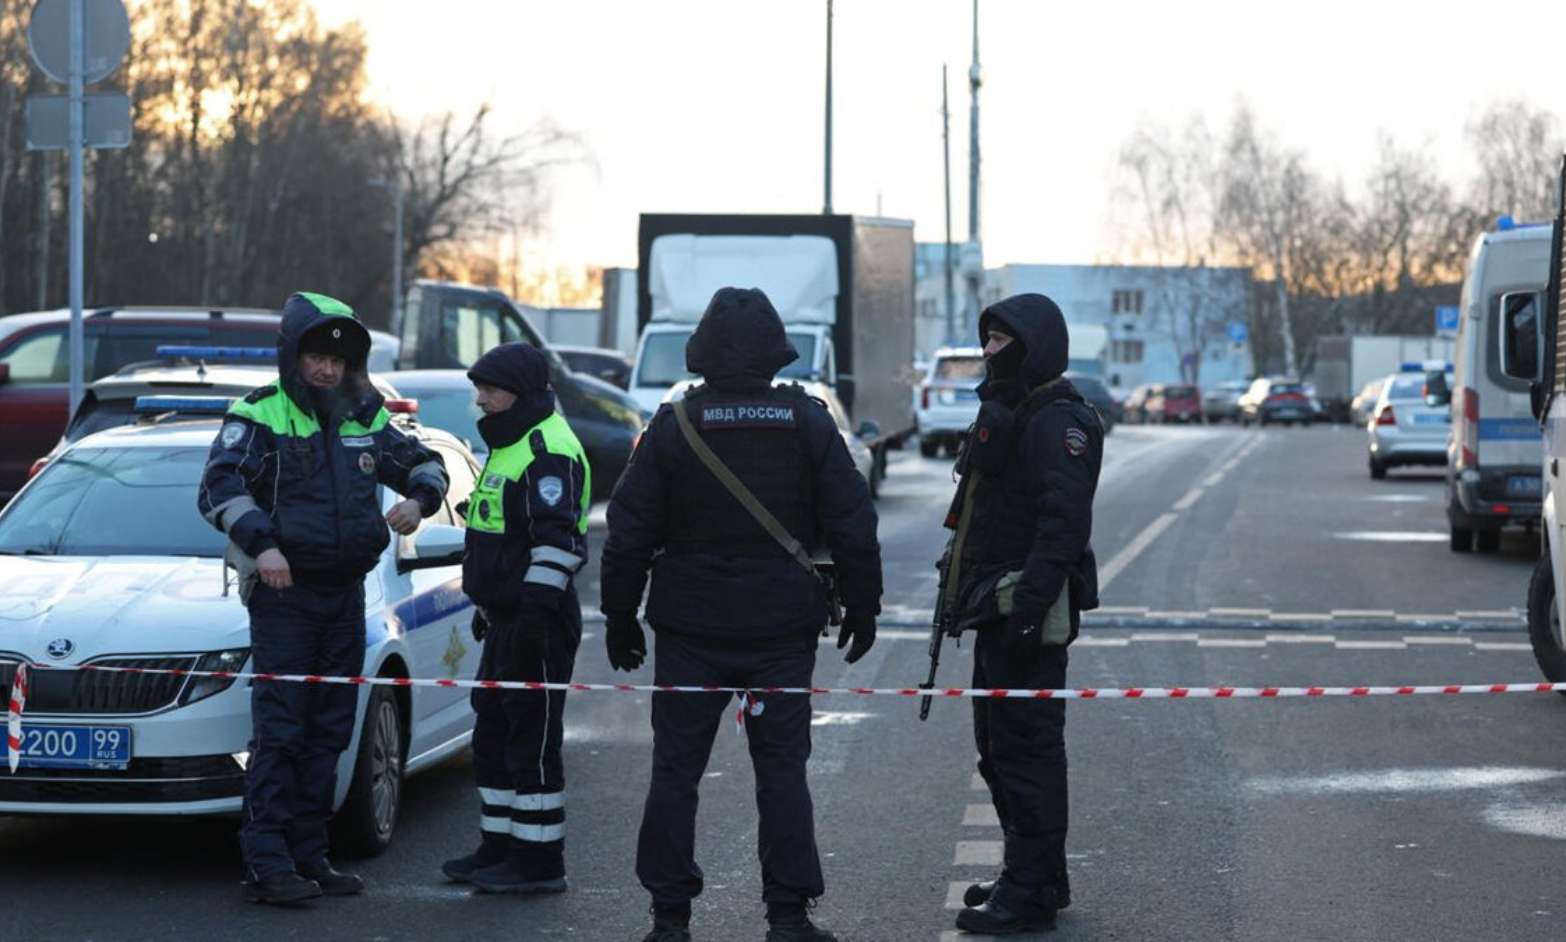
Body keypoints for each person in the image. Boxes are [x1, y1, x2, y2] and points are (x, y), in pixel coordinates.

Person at [599, 287, 883, 942]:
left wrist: (619, 615)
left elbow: (630, 529)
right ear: (776, 351)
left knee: (676, 770)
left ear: (701, 349)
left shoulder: (676, 423)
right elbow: (852, 519)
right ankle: (788, 917)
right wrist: (863, 605)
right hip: (781, 629)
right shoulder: (807, 420)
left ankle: (669, 919)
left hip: (689, 628)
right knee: (782, 769)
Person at [198, 292, 449, 904]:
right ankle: (267, 863)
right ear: (293, 355)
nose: (327, 370)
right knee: (281, 731)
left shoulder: (364, 414)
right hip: (285, 596)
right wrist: (264, 547)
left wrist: (419, 500)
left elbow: (425, 463)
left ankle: (311, 856)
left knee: (329, 729)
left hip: (346, 597)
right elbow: (218, 487)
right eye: (315, 356)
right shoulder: (260, 414)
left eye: (337, 359)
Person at [943, 293, 1102, 934]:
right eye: (986, 340)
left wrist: (1031, 610)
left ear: (1034, 347)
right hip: (997, 607)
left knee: (1025, 752)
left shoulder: (1059, 422)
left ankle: (1029, 888)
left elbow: (1062, 525)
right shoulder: (1012, 411)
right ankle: (1037, 874)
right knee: (997, 747)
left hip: (1024, 611)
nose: (988, 353)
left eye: (1001, 343)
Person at [439, 342, 591, 895]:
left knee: (533, 739)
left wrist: (529, 616)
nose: (479, 400)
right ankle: (499, 848)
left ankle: (539, 862)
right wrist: (492, 608)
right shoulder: (510, 445)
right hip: (507, 617)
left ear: (520, 393)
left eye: (490, 390)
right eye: (479, 388)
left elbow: (558, 544)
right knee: (496, 733)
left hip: (539, 619)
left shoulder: (547, 449)